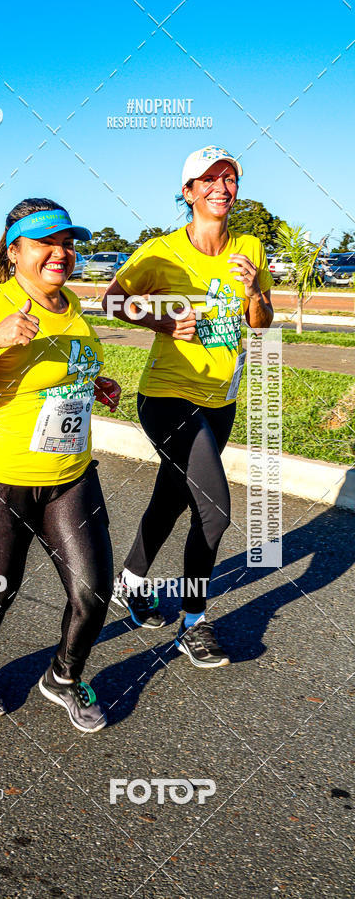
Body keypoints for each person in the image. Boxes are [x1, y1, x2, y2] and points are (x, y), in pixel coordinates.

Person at [0, 198, 122, 732]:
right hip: (2, 476)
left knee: (92, 593)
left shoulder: (73, 305)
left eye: (67, 242)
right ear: (14, 251)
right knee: (0, 588)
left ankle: (63, 676)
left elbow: (58, 375)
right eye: (45, 242)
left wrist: (92, 385)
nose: (60, 252)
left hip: (70, 475)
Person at [102, 146, 274, 667]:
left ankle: (130, 583)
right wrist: (162, 322)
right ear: (189, 191)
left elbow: (262, 323)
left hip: (221, 399)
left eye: (229, 179)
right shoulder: (162, 252)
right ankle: (193, 623)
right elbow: (112, 300)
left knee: (172, 496)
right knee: (215, 511)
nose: (221, 188)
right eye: (208, 180)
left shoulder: (250, 248)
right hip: (167, 396)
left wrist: (254, 292)